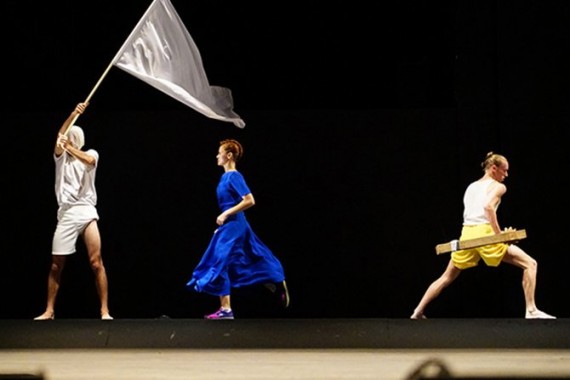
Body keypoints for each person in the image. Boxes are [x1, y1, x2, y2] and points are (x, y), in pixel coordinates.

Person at [410, 152, 555, 320]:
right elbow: (488, 207)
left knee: (446, 277)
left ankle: (417, 311)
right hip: (485, 234)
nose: (506, 175)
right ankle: (531, 310)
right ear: (494, 169)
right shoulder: (498, 186)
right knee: (530, 264)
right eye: (504, 171)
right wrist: (500, 235)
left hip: (467, 234)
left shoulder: (471, 186)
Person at [186, 139, 289, 320]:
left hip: (235, 224)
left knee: (220, 261)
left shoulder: (234, 176)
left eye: (220, 152)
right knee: (238, 258)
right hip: (230, 225)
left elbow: (249, 200)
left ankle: (273, 279)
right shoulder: (224, 177)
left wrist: (225, 214)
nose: (217, 156)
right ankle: (228, 307)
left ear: (229, 155)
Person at [34, 102, 112, 321]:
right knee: (56, 264)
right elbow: (60, 137)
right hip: (67, 213)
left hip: (87, 211)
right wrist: (73, 114)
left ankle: (104, 310)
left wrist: (70, 146)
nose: (65, 140)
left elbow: (88, 160)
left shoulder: (90, 153)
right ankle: (49, 311)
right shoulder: (60, 159)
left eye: (70, 138)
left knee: (96, 262)